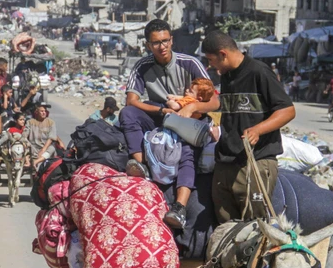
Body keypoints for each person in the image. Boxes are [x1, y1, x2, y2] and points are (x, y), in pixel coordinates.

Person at [120, 19, 220, 229]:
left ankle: (180, 207)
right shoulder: (142, 66)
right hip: (161, 113)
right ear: (148, 45)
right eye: (156, 43)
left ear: (172, 40)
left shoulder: (190, 63)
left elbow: (214, 101)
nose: (162, 46)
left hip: (189, 119)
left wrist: (191, 108)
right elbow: (132, 101)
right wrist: (162, 110)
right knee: (128, 114)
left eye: (165, 41)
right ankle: (141, 166)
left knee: (186, 151)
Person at [201, 30, 296, 223]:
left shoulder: (258, 72)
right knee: (226, 229)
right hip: (226, 163)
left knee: (254, 229)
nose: (210, 66)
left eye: (211, 60)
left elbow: (287, 110)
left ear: (223, 54)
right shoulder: (227, 76)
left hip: (255, 162)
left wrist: (258, 130)